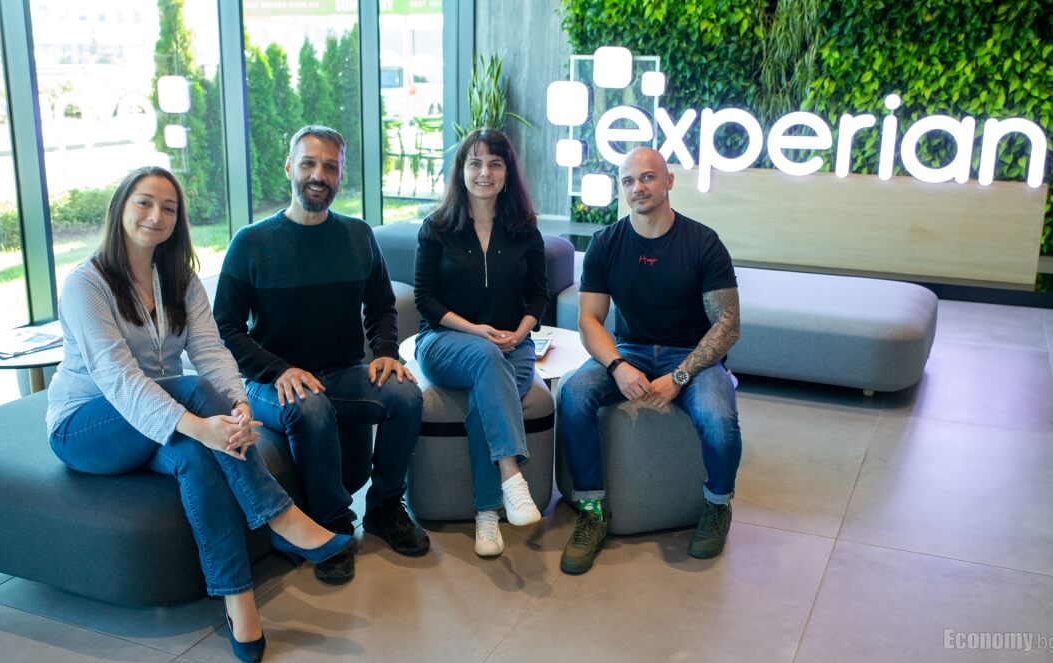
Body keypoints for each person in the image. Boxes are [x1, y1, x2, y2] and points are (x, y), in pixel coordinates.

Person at [46, 166, 352, 663]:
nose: (156, 215)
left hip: (158, 420)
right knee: (191, 397)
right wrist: (200, 425)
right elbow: (119, 379)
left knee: (196, 455)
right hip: (87, 427)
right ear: (120, 208)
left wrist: (238, 407)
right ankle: (281, 516)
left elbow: (209, 350)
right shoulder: (87, 284)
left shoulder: (180, 279)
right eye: (144, 203)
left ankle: (238, 601)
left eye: (168, 208)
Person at [213, 125, 428, 585]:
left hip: (343, 372)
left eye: (330, 166)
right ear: (289, 167)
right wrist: (278, 369)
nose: (319, 175)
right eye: (309, 163)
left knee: (407, 395)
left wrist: (386, 352)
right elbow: (225, 327)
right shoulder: (251, 243)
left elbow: (382, 306)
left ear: (340, 175)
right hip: (270, 382)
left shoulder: (357, 235)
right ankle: (332, 527)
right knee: (309, 406)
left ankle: (385, 508)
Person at [557, 147, 743, 574]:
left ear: (668, 181)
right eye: (628, 181)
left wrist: (680, 376)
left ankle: (717, 505)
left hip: (692, 355)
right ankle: (592, 511)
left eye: (647, 177)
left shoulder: (703, 242)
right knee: (574, 393)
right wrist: (617, 366)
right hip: (631, 348)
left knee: (718, 418)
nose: (637, 188)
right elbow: (589, 320)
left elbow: (728, 325)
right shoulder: (606, 243)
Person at [412, 128, 549, 557]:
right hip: (444, 341)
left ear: (508, 173)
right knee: (487, 358)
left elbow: (539, 296)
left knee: (483, 401)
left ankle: (487, 515)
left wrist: (521, 332)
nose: (484, 172)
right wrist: (476, 331)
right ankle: (511, 476)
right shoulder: (437, 227)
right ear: (461, 171)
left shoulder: (525, 229)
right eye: (475, 163)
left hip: (513, 344)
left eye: (495, 163)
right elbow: (425, 299)